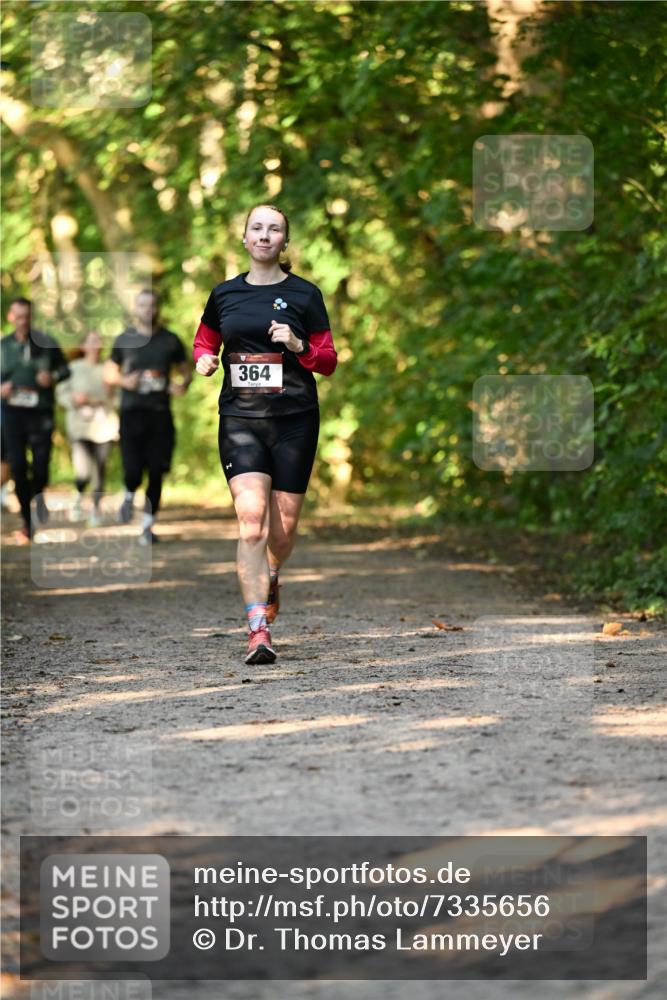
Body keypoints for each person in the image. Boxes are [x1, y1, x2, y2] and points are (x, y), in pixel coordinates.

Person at [194, 204, 337, 665]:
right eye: (256, 227)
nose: (264, 235)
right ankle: (258, 629)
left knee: (284, 531)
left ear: (284, 242)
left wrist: (298, 345)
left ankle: (272, 571)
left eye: (274, 229)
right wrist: (204, 360)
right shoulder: (224, 294)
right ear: (244, 238)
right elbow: (204, 341)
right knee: (251, 520)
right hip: (241, 420)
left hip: (295, 419)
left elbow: (328, 360)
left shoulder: (305, 294)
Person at [104, 289, 192, 545]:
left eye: (152, 305)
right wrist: (125, 381)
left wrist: (182, 384)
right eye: (143, 305)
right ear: (136, 308)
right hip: (131, 414)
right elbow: (109, 374)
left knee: (156, 471)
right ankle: (128, 494)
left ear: (158, 308)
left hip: (160, 415)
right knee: (133, 471)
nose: (148, 310)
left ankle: (147, 526)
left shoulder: (170, 340)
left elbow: (185, 370)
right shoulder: (124, 339)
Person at [0, 297, 70, 541]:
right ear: (11, 317)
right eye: (18, 317)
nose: (23, 321)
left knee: (41, 466)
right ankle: (27, 521)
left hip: (41, 413)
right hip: (12, 414)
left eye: (27, 317)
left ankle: (39, 493)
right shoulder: (3, 346)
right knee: (18, 467)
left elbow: (65, 370)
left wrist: (52, 378)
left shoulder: (47, 343)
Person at [56, 331, 119, 525]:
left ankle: (96, 510)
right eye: (91, 342)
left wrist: (111, 394)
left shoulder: (109, 368)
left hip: (104, 426)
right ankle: (78, 495)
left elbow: (119, 397)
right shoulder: (73, 368)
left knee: (99, 470)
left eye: (98, 341)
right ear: (83, 346)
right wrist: (74, 399)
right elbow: (61, 393)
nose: (95, 345)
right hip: (79, 426)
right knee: (83, 471)